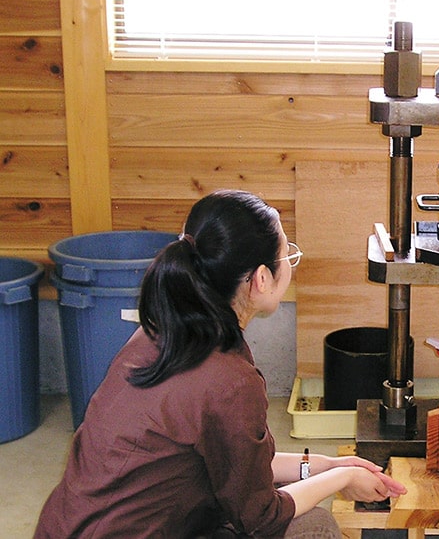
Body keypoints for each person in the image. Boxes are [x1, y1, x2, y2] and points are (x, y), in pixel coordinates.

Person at [35, 190, 405, 538]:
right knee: (315, 527)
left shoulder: (162, 332)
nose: (290, 265)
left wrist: (327, 465)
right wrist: (339, 481)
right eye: (287, 256)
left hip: (70, 527)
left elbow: (237, 463)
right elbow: (261, 517)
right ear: (261, 278)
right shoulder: (229, 381)